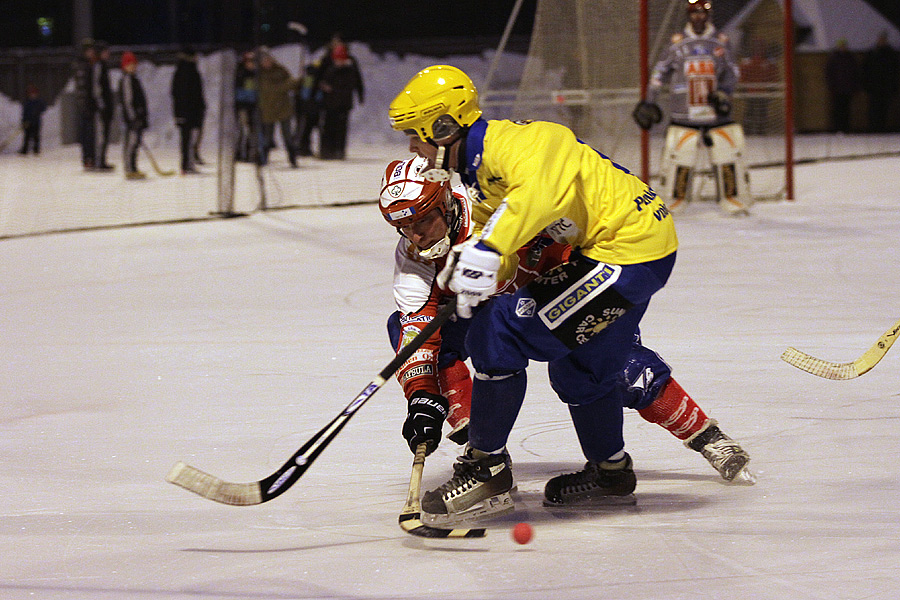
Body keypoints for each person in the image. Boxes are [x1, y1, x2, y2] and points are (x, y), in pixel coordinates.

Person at [388, 64, 680, 524]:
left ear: (444, 127)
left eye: (415, 135)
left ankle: (486, 468)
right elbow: (496, 229)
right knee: (579, 371)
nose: (412, 149)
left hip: (625, 252)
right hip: (638, 249)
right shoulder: (484, 178)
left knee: (496, 329)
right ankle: (611, 472)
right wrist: (475, 271)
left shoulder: (521, 144)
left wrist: (488, 250)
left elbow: (538, 196)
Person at [380, 156, 751, 493]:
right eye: (403, 227)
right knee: (414, 330)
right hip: (498, 305)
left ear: (447, 201)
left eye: (423, 220)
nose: (415, 236)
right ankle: (475, 434)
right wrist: (422, 397)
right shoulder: (413, 254)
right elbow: (417, 326)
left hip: (572, 283)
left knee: (604, 368)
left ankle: (706, 436)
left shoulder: (495, 203)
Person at [632, 0, 749, 215]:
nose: (699, 17)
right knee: (681, 152)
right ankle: (676, 197)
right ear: (688, 14)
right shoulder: (677, 44)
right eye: (694, 12)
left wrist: (724, 93)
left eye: (703, 12)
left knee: (726, 149)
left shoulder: (720, 43)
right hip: (684, 113)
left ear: (710, 14)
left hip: (715, 114)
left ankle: (732, 195)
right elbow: (659, 73)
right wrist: (649, 100)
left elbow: (733, 72)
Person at [316, 39, 364, 160]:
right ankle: (326, 152)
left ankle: (339, 151)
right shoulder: (328, 65)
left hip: (343, 104)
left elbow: (355, 82)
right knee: (327, 128)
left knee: (341, 129)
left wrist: (360, 95)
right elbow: (320, 80)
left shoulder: (350, 67)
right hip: (329, 104)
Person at [258, 48, 299, 167]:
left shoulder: (281, 70)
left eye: (268, 60)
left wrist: (296, 83)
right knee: (267, 138)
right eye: (264, 61)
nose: (267, 62)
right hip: (268, 109)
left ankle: (292, 159)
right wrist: (287, 85)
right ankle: (264, 159)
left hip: (283, 108)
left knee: (288, 136)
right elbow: (271, 89)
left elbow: (292, 83)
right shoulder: (259, 74)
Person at [170, 46, 207, 174]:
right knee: (188, 139)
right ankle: (187, 164)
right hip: (189, 113)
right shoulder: (188, 72)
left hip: (186, 112)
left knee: (187, 139)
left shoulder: (182, 71)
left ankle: (187, 163)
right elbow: (185, 95)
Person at [118, 51, 148, 180]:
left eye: (134, 64)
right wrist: (132, 118)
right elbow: (128, 101)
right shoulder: (127, 80)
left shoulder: (134, 79)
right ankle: (129, 168)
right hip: (132, 119)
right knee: (131, 143)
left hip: (138, 118)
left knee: (135, 143)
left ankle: (133, 167)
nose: (133, 66)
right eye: (130, 64)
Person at [862, 32, 899, 133]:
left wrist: (894, 86)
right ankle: (874, 128)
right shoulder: (872, 53)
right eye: (880, 39)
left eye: (883, 39)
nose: (882, 41)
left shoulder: (891, 54)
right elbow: (865, 70)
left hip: (887, 87)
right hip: (874, 87)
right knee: (874, 109)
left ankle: (882, 128)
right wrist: (866, 85)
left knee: (884, 109)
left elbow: (895, 71)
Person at [73, 38, 99, 169]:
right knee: (87, 134)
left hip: (90, 104)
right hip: (85, 105)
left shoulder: (89, 64)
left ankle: (92, 158)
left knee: (91, 133)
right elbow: (82, 88)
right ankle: (88, 159)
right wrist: (85, 105)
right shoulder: (82, 65)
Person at [825, 39, 860, 134]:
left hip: (848, 89)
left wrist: (854, 87)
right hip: (837, 89)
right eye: (841, 46)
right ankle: (837, 128)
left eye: (844, 46)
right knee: (837, 109)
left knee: (846, 109)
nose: (843, 47)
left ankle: (846, 128)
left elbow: (855, 73)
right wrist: (832, 86)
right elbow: (829, 73)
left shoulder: (850, 58)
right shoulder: (834, 58)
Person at [93, 41, 115, 170]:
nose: (108, 54)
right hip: (102, 107)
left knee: (105, 134)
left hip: (106, 106)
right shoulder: (99, 66)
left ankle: (102, 160)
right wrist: (101, 104)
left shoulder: (104, 66)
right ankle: (99, 161)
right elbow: (97, 87)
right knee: (101, 134)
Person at [234, 51, 259, 162]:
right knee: (243, 130)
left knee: (252, 131)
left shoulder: (255, 74)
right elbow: (240, 92)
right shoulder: (241, 74)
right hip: (243, 107)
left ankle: (249, 153)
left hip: (252, 106)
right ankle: (239, 153)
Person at [294, 61, 322, 157]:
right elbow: (308, 95)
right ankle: (302, 148)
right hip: (310, 108)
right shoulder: (312, 80)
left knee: (304, 130)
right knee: (306, 130)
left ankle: (303, 148)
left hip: (305, 108)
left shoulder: (306, 79)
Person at [19, 84, 46, 155]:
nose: (32, 95)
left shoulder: (39, 101)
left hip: (36, 122)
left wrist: (37, 111)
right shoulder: (27, 102)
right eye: (31, 93)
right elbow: (24, 113)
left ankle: (36, 150)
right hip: (28, 122)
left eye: (34, 93)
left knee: (36, 136)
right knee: (27, 137)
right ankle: (25, 150)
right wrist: (24, 121)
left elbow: (43, 108)